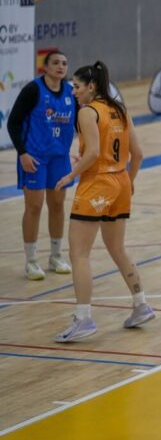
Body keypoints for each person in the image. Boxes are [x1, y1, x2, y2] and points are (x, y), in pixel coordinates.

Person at [53, 61, 155, 342]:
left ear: (91, 86)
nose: (73, 92)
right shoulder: (120, 109)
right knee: (117, 247)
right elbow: (139, 153)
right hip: (120, 180)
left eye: (76, 86)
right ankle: (140, 304)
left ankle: (83, 318)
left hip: (97, 181)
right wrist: (129, 181)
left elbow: (93, 153)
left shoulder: (88, 112)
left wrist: (70, 175)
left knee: (79, 253)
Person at [7, 51, 75, 280]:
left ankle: (56, 255)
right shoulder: (33, 90)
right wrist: (22, 153)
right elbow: (13, 122)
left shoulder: (71, 92)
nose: (60, 66)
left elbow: (81, 122)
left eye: (64, 63)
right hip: (34, 157)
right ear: (45, 67)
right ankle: (31, 260)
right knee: (34, 206)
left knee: (57, 205)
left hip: (60, 158)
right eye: (55, 62)